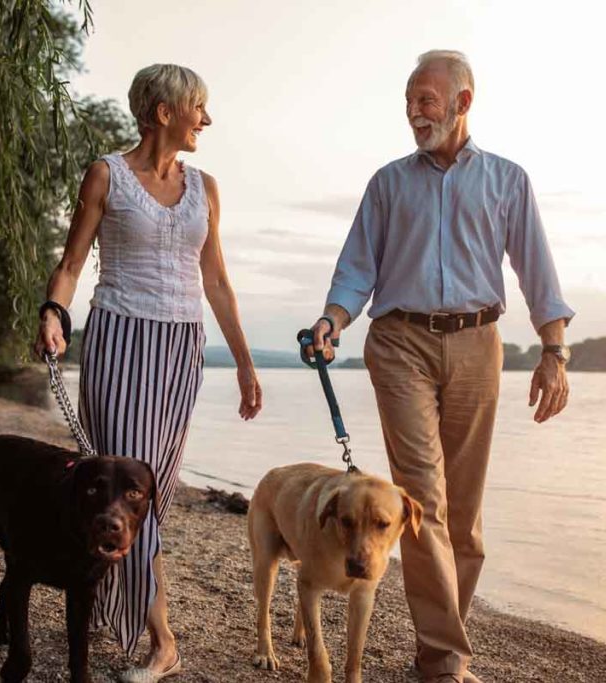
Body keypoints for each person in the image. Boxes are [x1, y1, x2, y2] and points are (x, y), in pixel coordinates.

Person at [306, 50, 574, 683]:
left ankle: (433, 652)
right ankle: (448, 663)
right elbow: (356, 268)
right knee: (422, 497)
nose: (414, 112)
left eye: (426, 99)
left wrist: (554, 351)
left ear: (463, 102)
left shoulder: (507, 179)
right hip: (399, 343)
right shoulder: (388, 183)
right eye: (408, 101)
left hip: (480, 343)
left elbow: (537, 269)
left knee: (465, 514)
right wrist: (332, 321)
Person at [34, 63, 262, 682]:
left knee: (151, 492)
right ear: (165, 112)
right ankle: (161, 638)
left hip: (181, 348)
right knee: (123, 484)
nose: (207, 120)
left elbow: (216, 281)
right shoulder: (107, 174)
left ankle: (125, 614)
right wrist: (55, 311)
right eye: (200, 108)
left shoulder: (205, 187)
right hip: (120, 335)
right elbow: (73, 261)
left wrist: (244, 363)